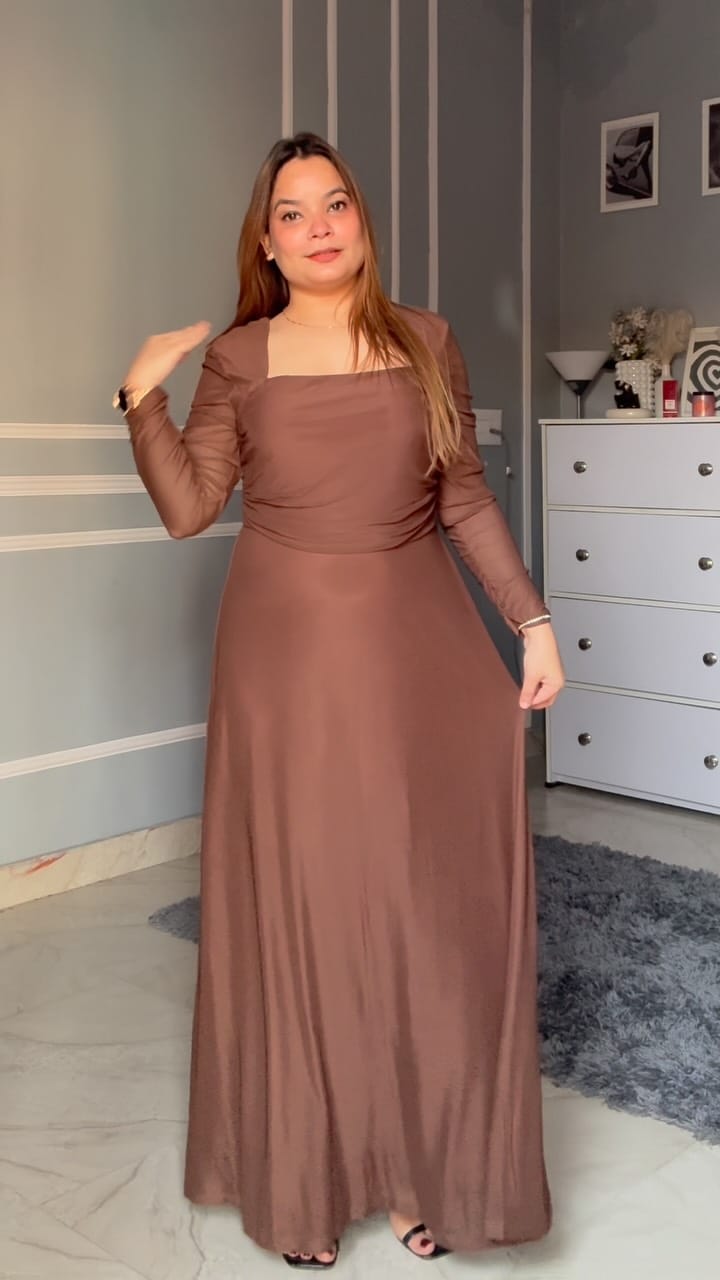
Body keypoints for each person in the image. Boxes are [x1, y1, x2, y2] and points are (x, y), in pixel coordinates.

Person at [116, 132, 564, 1270]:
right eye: (292, 213)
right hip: (285, 663)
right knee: (309, 904)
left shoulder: (429, 340)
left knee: (418, 905)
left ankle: (420, 1167)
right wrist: (140, 393)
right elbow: (189, 508)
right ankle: (307, 1176)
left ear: (362, 220)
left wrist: (532, 620)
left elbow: (464, 499)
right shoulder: (240, 357)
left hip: (418, 653)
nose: (318, 227)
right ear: (266, 243)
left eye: (336, 204)